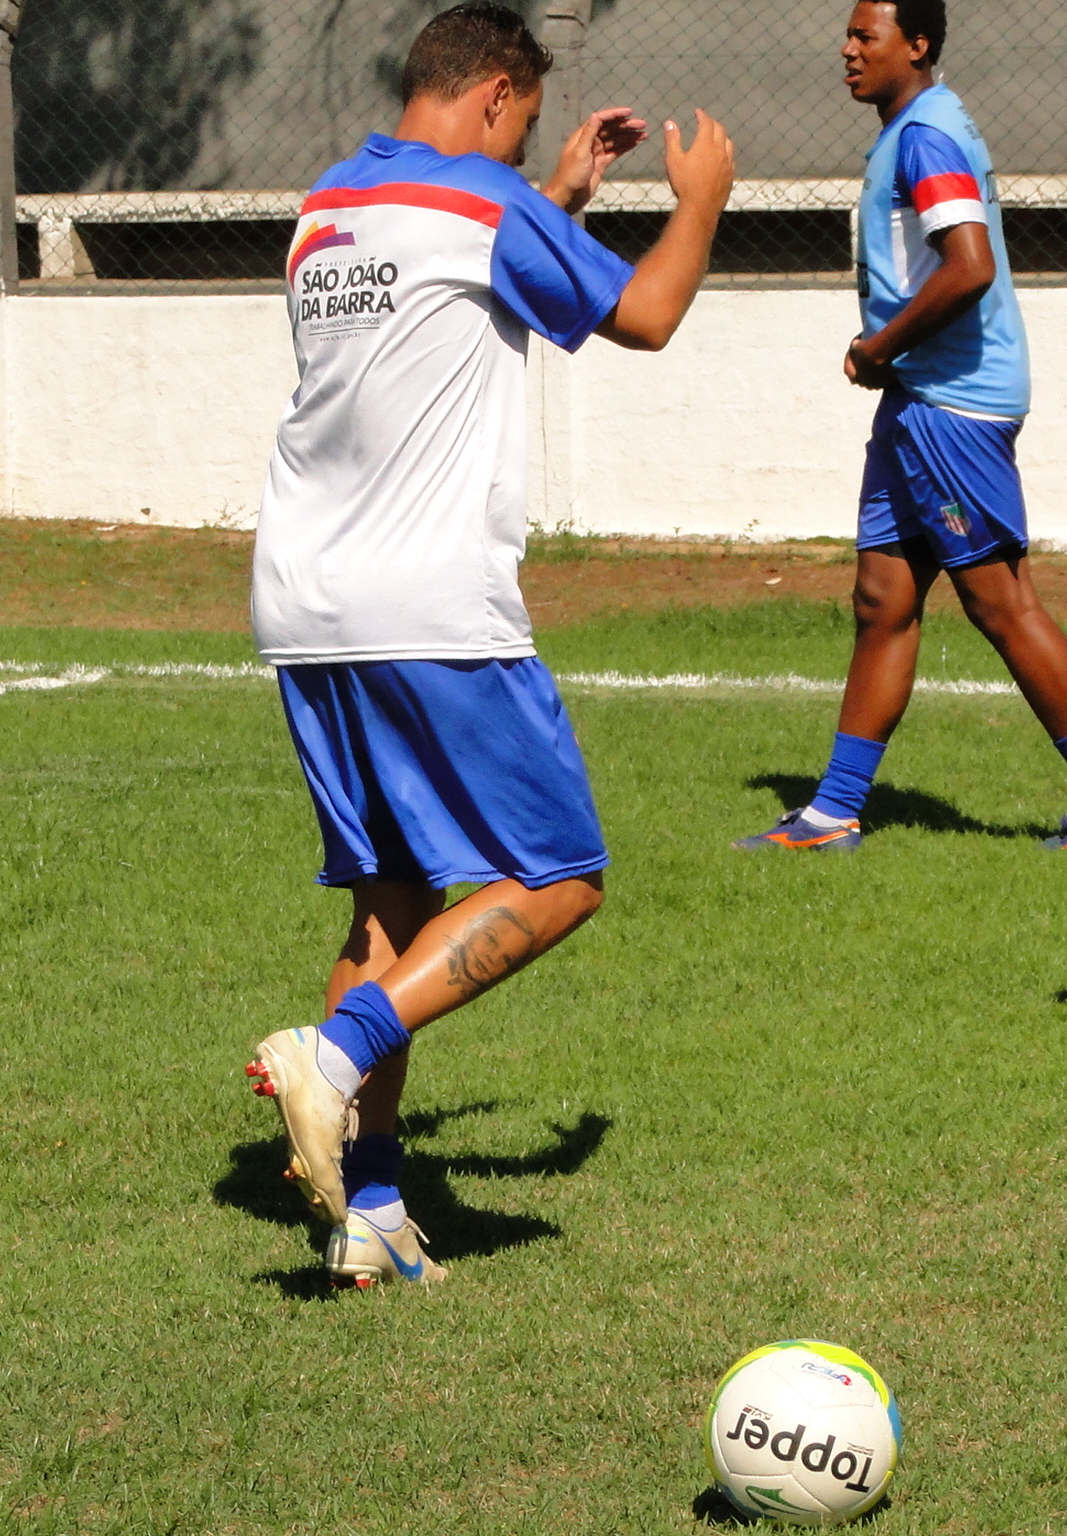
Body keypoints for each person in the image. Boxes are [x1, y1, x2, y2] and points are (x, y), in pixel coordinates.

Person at [243, 2, 734, 1286]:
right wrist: (698, 198)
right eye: (522, 127)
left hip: (305, 603)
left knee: (392, 902)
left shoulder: (328, 209)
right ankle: (336, 1051)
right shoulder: (482, 206)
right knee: (561, 872)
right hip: (429, 608)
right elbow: (645, 315)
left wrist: (557, 191)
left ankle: (373, 1207)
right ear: (500, 95)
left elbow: (451, 293)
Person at [735, 0, 1067, 855]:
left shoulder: (926, 136)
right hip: (917, 398)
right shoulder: (913, 128)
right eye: (847, 34)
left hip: (950, 404)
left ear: (916, 45)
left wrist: (878, 346)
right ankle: (834, 812)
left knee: (1000, 603)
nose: (846, 49)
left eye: (866, 36)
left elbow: (969, 266)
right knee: (882, 599)